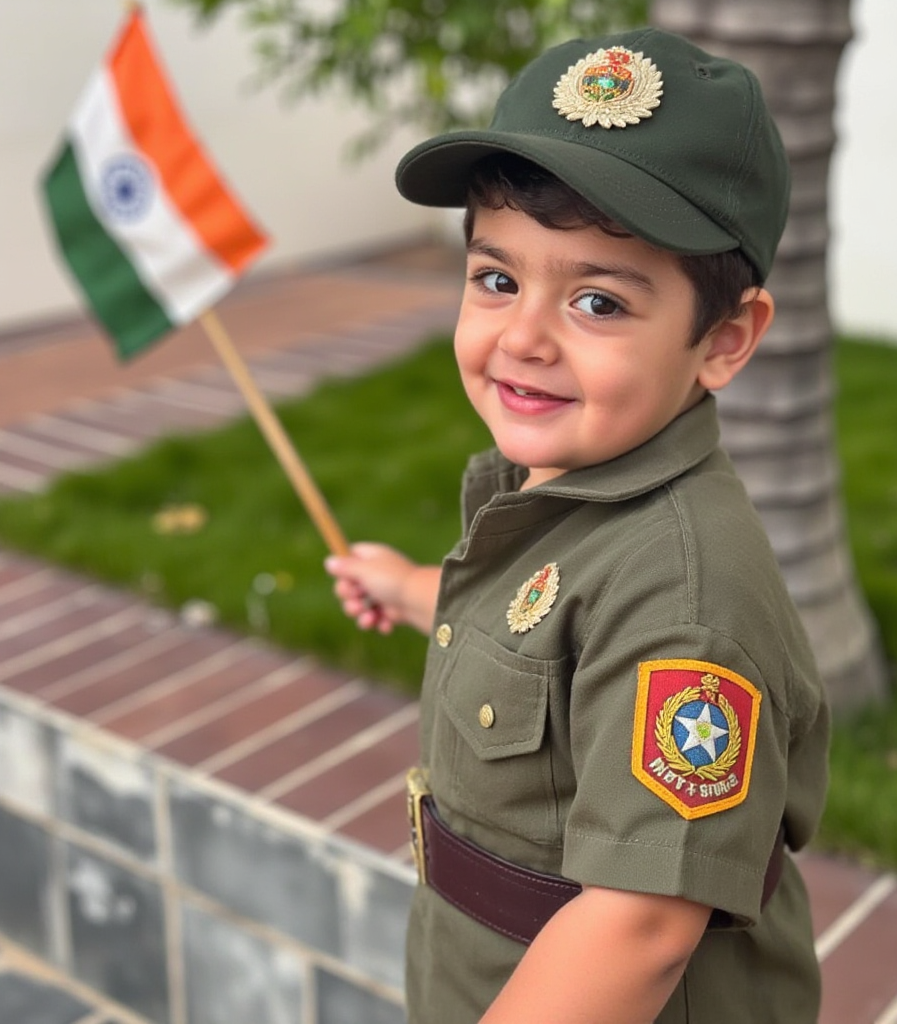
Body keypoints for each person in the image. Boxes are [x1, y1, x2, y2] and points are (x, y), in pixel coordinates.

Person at [326, 26, 830, 1024]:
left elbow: (638, 928)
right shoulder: (566, 487)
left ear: (723, 340)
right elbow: (545, 642)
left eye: (597, 301)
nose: (521, 336)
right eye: (497, 277)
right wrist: (413, 587)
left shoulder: (686, 601)